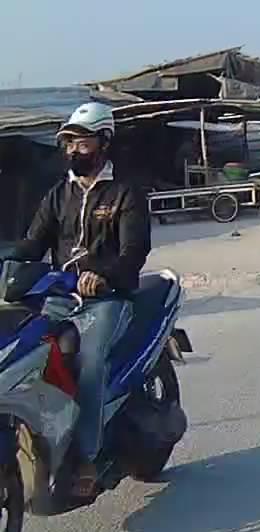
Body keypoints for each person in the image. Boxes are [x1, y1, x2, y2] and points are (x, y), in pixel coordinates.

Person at [15, 102, 151, 498]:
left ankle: (88, 457)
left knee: (88, 363)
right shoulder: (59, 195)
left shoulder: (125, 192)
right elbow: (32, 244)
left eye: (82, 142)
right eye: (68, 144)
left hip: (109, 299)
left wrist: (104, 276)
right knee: (26, 353)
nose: (73, 150)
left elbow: (134, 251)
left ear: (104, 142)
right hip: (59, 295)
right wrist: (8, 261)